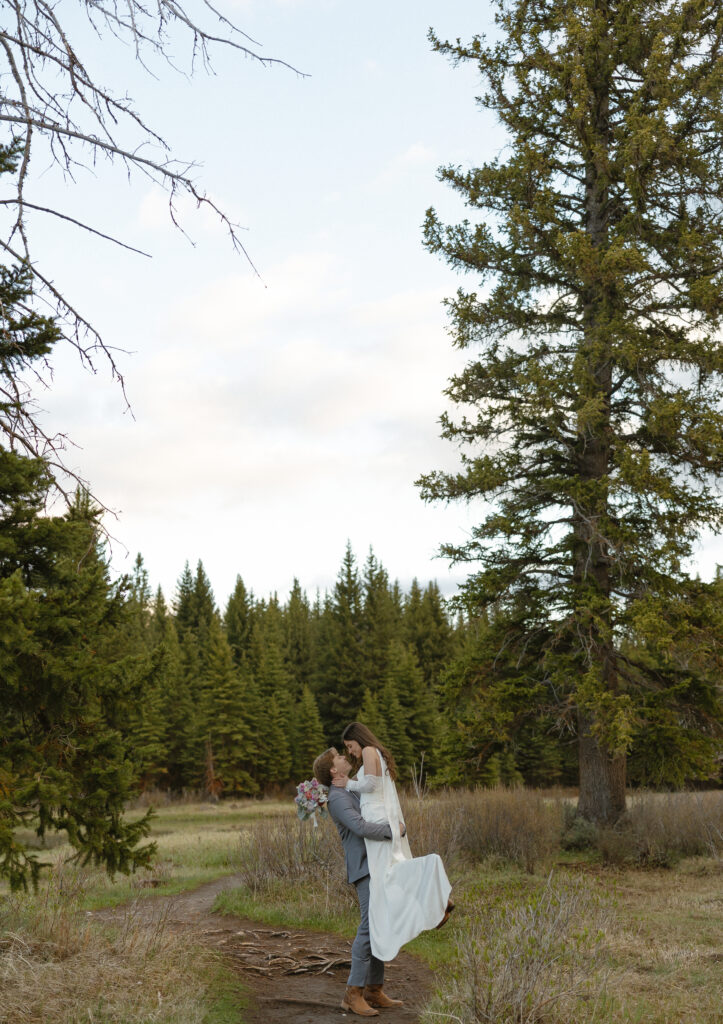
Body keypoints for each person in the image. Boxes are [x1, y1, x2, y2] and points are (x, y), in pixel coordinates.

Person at [336, 722, 453, 963]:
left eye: (350, 746)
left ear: (359, 739)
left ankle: (434, 877)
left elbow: (372, 785)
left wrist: (347, 784)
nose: (350, 752)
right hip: (379, 814)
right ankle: (437, 900)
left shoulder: (369, 751)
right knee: (392, 871)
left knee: (385, 876)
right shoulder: (374, 752)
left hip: (377, 818)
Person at [313, 746, 405, 1018]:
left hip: (376, 863)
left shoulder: (350, 789)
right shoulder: (338, 799)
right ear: (333, 770)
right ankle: (352, 994)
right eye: (340, 757)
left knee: (380, 923)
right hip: (365, 868)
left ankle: (374, 990)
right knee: (368, 926)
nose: (345, 757)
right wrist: (393, 832)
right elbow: (362, 827)